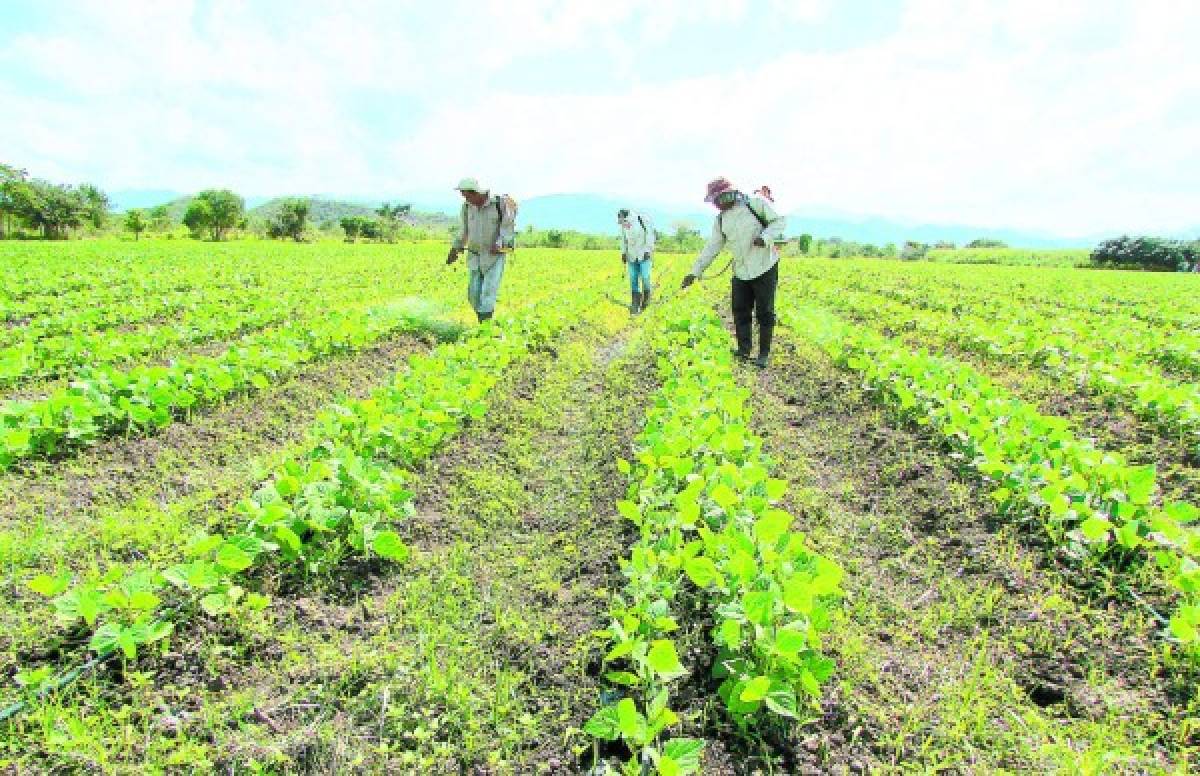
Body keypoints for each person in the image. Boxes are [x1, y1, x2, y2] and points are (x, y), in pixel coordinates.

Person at [681, 177, 786, 368]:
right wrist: (694, 272)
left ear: (728, 194)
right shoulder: (721, 220)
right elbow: (712, 247)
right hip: (741, 270)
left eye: (717, 200)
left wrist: (765, 238)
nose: (716, 204)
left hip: (764, 266)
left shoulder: (754, 204)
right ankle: (744, 350)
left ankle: (763, 354)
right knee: (740, 310)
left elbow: (779, 221)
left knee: (765, 311)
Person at [446, 178, 517, 322]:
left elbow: (508, 227)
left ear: (476, 192)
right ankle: (483, 323)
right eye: (463, 196)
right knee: (473, 295)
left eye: (467, 195)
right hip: (475, 256)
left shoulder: (499, 204)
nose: (466, 199)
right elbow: (464, 230)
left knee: (488, 293)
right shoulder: (466, 207)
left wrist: (500, 243)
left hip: (494, 256)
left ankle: (485, 328)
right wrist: (456, 248)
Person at [617, 208, 655, 314]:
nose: (623, 224)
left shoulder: (641, 219)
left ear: (627, 216)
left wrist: (648, 250)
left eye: (623, 220)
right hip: (631, 255)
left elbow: (650, 235)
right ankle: (635, 304)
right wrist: (623, 253)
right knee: (633, 279)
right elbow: (623, 239)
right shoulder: (623, 226)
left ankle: (646, 303)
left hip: (644, 254)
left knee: (645, 277)